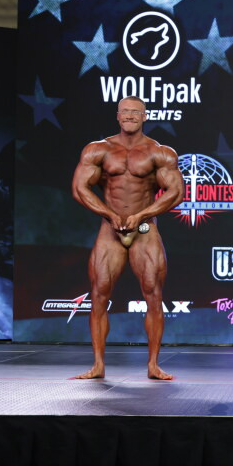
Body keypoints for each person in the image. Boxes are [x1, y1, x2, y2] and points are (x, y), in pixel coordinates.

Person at [71, 96, 183, 380]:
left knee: (154, 294)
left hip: (145, 230)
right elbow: (79, 188)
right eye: (125, 112)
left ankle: (153, 365)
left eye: (136, 112)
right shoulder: (98, 149)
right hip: (109, 229)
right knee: (99, 294)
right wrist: (108, 214)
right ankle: (98, 365)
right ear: (117, 116)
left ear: (145, 116)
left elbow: (176, 192)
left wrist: (143, 214)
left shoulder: (160, 152)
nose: (130, 116)